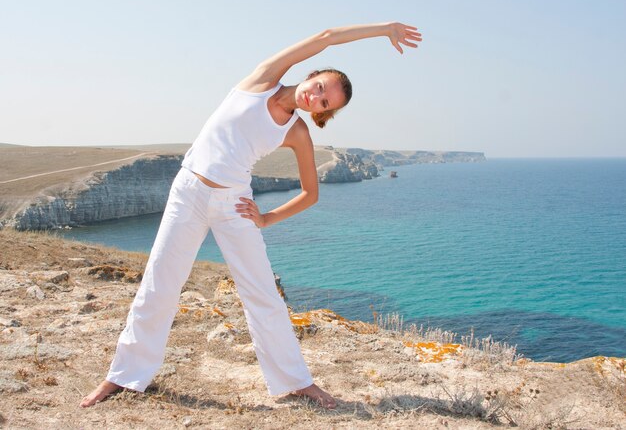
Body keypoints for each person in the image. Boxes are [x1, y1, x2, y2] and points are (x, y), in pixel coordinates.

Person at [80, 22, 422, 410]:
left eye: (326, 104)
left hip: (234, 205)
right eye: (322, 87)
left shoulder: (297, 132)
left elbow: (311, 193)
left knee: (262, 295)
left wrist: (265, 218)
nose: (317, 98)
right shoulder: (263, 79)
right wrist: (385, 30)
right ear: (312, 75)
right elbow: (326, 36)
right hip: (189, 191)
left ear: (324, 113)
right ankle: (123, 375)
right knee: (160, 283)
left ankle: (295, 382)